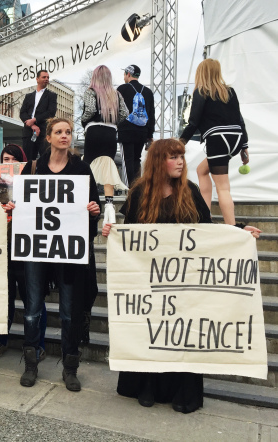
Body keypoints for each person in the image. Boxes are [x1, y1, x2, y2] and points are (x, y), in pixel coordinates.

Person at [102, 138, 260, 413]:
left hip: (185, 284)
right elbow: (130, 237)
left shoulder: (190, 190)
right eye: (173, 157)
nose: (180, 162)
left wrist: (239, 231)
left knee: (182, 334)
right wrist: (112, 234)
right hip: (151, 283)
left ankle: (182, 392)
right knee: (152, 332)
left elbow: (207, 232)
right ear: (157, 161)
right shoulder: (139, 193)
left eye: (181, 157)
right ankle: (147, 386)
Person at [17, 117, 101, 391]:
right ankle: (30, 364)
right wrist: (12, 210)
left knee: (69, 312)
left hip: (68, 252)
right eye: (59, 132)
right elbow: (20, 206)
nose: (65, 136)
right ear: (49, 138)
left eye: (68, 132)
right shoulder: (32, 169)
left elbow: (95, 207)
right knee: (31, 310)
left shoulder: (82, 168)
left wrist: (93, 212)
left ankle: (70, 368)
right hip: (36, 249)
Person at [0, 144, 48, 360]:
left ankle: (37, 344)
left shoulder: (34, 182)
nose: (10, 163)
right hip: (3, 251)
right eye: (5, 159)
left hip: (26, 252)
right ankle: (0, 341)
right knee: (4, 300)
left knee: (33, 301)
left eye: (15, 159)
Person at [180, 58, 249, 226]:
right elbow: (240, 120)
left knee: (223, 187)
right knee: (202, 170)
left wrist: (180, 143)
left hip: (218, 139)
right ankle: (206, 215)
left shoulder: (201, 91)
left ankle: (232, 227)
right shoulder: (229, 91)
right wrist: (244, 147)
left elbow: (194, 121)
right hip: (236, 139)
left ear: (201, 73)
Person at [81, 65, 129, 225]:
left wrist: (84, 122)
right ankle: (109, 205)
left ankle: (85, 200)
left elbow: (90, 110)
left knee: (87, 166)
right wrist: (113, 122)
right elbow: (125, 113)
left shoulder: (90, 92)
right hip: (110, 133)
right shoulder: (116, 94)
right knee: (108, 166)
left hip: (93, 131)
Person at [117, 64, 155, 187]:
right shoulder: (148, 92)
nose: (124, 77)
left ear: (128, 74)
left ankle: (130, 190)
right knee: (136, 159)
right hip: (142, 132)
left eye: (124, 74)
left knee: (127, 160)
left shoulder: (121, 89)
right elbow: (151, 114)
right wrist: (149, 135)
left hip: (126, 131)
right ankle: (138, 187)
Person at [19, 70, 58, 161]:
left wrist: (34, 120)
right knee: (28, 161)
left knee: (46, 160)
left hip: (44, 133)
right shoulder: (29, 96)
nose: (46, 79)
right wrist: (32, 125)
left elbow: (51, 112)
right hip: (29, 132)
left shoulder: (51, 95)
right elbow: (22, 113)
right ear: (37, 79)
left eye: (48, 77)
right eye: (44, 77)